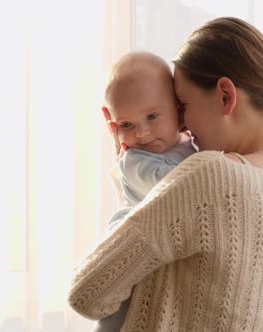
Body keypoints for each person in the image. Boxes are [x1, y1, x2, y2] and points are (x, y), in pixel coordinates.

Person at [69, 17, 263, 332]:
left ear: (225, 95)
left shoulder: (210, 176)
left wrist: (133, 164)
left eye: (183, 104)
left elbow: (87, 294)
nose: (183, 123)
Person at [94, 51, 197, 331]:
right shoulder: (135, 161)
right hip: (127, 257)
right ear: (112, 123)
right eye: (126, 124)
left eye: (152, 116)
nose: (141, 133)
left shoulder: (190, 143)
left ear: (178, 108)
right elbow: (174, 188)